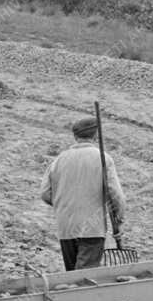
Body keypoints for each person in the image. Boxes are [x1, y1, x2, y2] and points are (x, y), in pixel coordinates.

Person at [40, 115, 127, 272]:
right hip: (92, 229)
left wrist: (64, 204)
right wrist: (119, 221)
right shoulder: (103, 158)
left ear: (75, 136)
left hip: (65, 228)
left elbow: (45, 193)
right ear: (96, 135)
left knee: (72, 276)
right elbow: (116, 195)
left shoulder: (59, 160)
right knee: (83, 281)